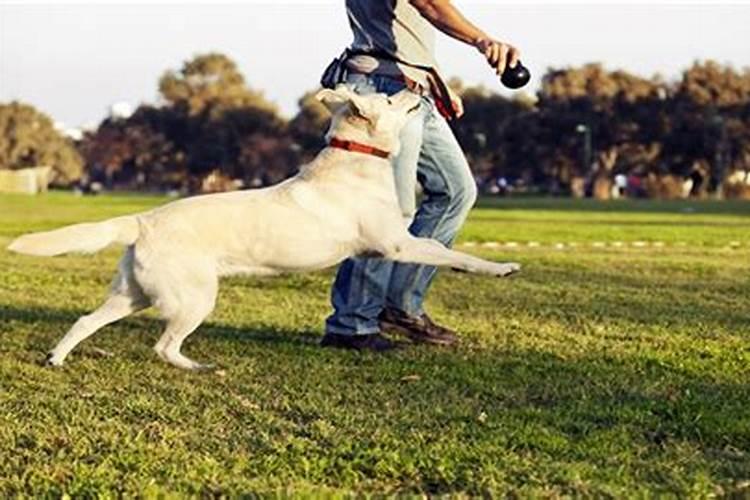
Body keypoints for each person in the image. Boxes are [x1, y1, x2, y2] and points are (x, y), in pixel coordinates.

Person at [320, 0, 521, 351]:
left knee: (455, 191)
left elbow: (404, 29)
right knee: (389, 213)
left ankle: (399, 307)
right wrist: (483, 41)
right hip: (382, 89)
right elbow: (429, 5)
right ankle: (351, 325)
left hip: (412, 88)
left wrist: (434, 78)